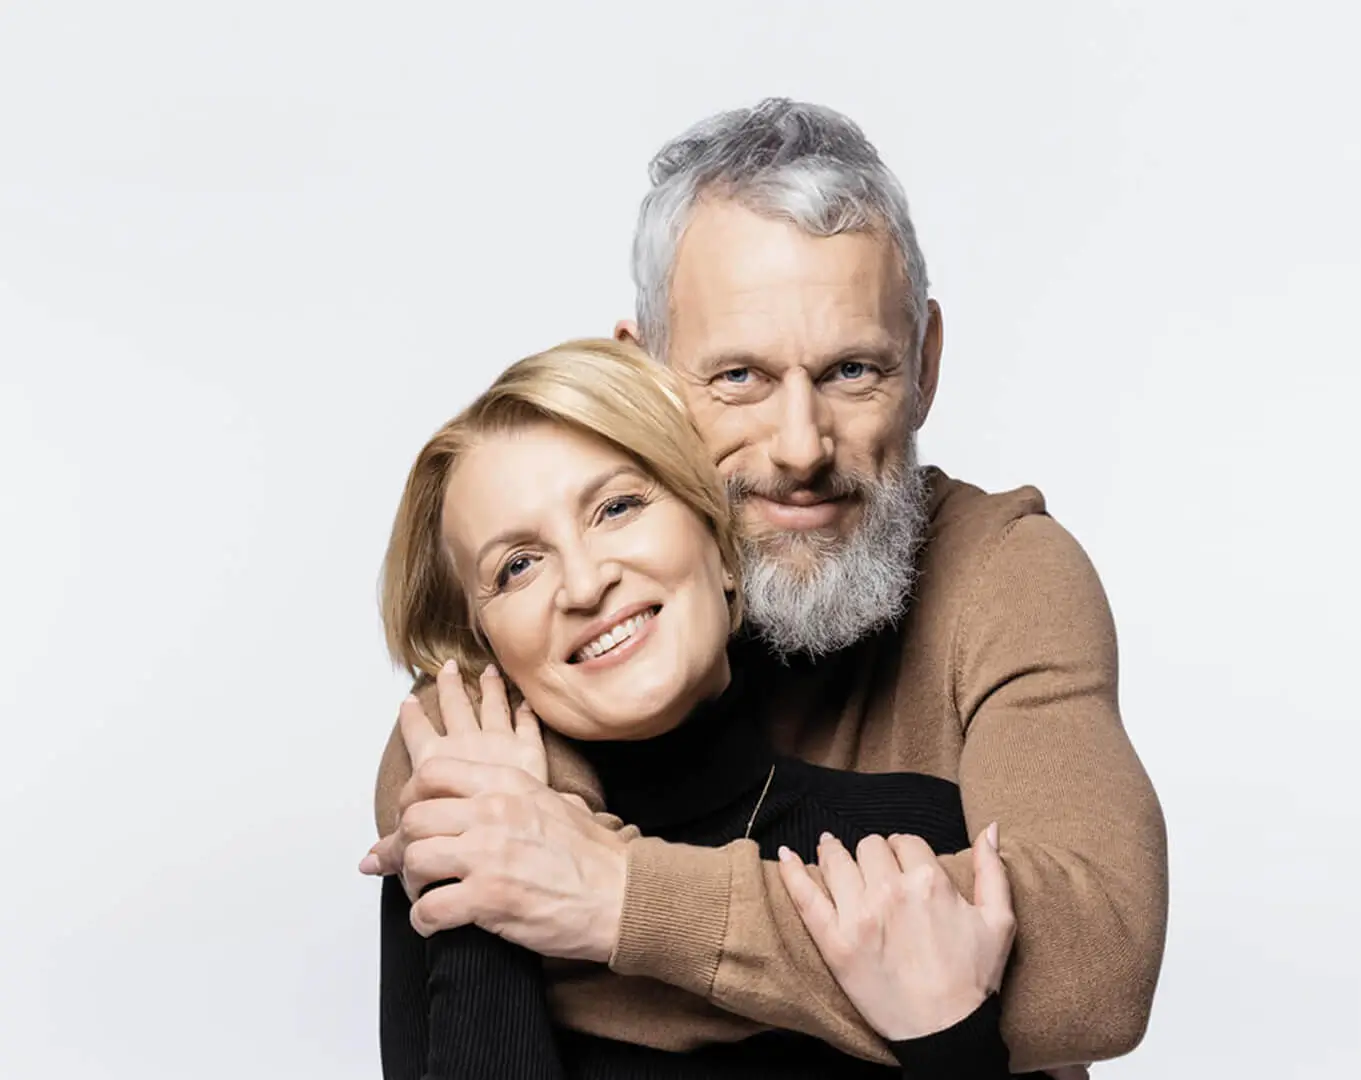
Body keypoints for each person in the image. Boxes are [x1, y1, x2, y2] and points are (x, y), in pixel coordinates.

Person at [363, 99, 1168, 1073]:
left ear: (923, 364)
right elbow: (476, 845)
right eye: (739, 376)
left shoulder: (1004, 573)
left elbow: (1092, 964)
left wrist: (615, 898)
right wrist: (890, 960)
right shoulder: (580, 618)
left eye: (851, 370)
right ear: (644, 376)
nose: (799, 448)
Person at [379, 338, 1020, 1078]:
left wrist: (953, 1043)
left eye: (617, 508)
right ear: (484, 642)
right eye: (517, 566)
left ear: (719, 541)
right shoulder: (448, 839)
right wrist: (485, 877)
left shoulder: (916, 840)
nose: (584, 585)